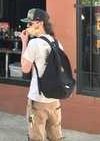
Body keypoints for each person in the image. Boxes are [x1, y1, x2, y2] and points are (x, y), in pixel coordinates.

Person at [20, 8, 63, 141]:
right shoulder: (56, 43)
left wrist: (24, 42)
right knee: (55, 136)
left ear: (39, 23)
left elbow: (25, 68)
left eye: (30, 23)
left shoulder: (34, 43)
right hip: (55, 99)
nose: (28, 27)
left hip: (38, 100)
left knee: (36, 137)